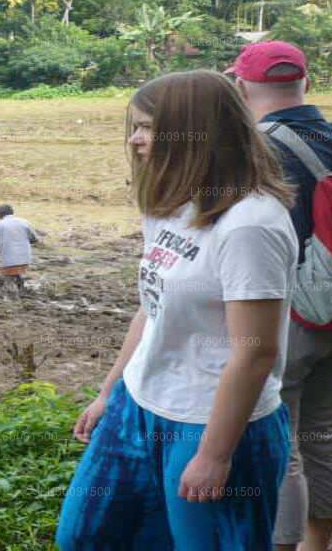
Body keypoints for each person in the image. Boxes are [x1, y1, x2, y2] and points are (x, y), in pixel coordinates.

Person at [55, 70, 297, 550]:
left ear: (195, 133)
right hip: (138, 404)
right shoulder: (170, 204)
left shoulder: (249, 225)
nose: (135, 139)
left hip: (209, 421)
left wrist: (215, 455)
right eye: (135, 127)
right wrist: (110, 393)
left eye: (147, 127)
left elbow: (255, 353)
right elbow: (152, 309)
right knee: (84, 538)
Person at [228, 41, 332, 551]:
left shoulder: (256, 147)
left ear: (241, 87)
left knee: (281, 445)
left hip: (287, 313)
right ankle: (316, 545)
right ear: (306, 81)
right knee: (324, 435)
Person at [0, 204, 38, 290]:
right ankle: (21, 289)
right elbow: (34, 239)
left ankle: (11, 295)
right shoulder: (24, 222)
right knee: (17, 274)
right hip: (25, 258)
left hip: (9, 259)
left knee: (9, 279)